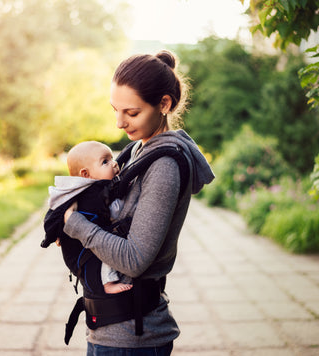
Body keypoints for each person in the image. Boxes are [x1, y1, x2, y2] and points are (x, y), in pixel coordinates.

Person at [62, 50, 215, 355]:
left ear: (164, 104)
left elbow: (134, 259)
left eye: (131, 113)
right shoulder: (135, 152)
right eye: (115, 110)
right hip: (110, 329)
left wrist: (75, 224)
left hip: (133, 338)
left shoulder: (164, 166)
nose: (119, 122)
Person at [48, 140, 133, 294]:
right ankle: (107, 283)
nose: (114, 164)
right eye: (105, 162)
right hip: (82, 254)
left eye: (112, 159)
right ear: (86, 174)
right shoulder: (92, 195)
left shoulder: (92, 189)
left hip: (84, 243)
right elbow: (115, 211)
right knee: (104, 254)